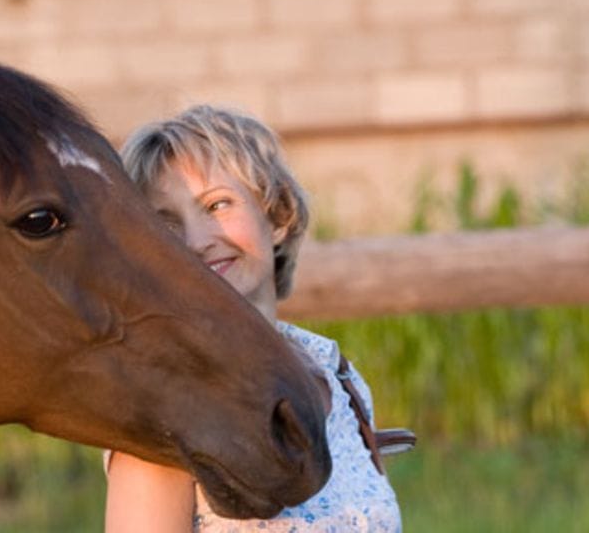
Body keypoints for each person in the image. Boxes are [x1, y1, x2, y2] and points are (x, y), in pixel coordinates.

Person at [105, 105, 402, 532]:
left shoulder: (337, 376)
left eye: (217, 205)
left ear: (277, 214)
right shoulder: (164, 410)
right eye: (166, 225)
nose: (196, 241)